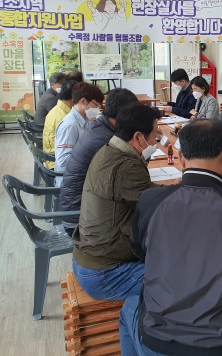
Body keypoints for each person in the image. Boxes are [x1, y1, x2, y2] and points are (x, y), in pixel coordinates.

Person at [120, 119, 222, 356]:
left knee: (129, 308)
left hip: (155, 340)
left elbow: (139, 249)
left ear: (181, 158)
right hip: (220, 345)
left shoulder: (151, 200)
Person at [71, 103, 161, 300]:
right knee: (185, 277)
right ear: (138, 137)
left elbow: (144, 192)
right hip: (105, 274)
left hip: (91, 260)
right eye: (155, 136)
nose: (156, 141)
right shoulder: (126, 166)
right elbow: (158, 208)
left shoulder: (109, 150)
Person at [60, 88, 139, 236]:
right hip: (80, 218)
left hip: (79, 204)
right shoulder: (105, 140)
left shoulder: (99, 126)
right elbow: (126, 181)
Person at [54, 82, 104, 186]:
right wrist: (90, 156)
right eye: (96, 105)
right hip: (70, 182)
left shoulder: (84, 120)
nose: (98, 109)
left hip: (77, 175)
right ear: (83, 101)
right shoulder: (70, 126)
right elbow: (63, 161)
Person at [43, 80, 77, 168]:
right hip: (55, 162)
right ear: (75, 97)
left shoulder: (59, 109)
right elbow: (64, 158)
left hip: (53, 155)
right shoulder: (65, 119)